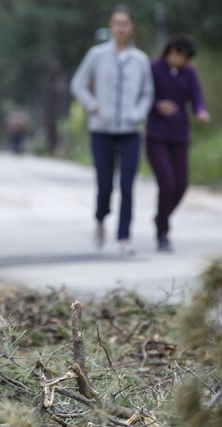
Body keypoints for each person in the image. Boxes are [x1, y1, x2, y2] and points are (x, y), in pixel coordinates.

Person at [70, 5, 154, 255]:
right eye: (116, 23)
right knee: (105, 183)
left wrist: (138, 114)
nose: (120, 28)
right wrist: (93, 106)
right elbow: (78, 84)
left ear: (131, 27)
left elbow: (148, 93)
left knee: (128, 184)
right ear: (110, 26)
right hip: (101, 129)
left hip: (130, 130)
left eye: (125, 23)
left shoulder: (140, 60)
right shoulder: (96, 55)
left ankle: (124, 236)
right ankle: (100, 218)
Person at [146, 35, 210, 252]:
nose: (186, 62)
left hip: (179, 135)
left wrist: (200, 111)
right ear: (172, 52)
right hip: (156, 136)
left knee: (181, 186)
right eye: (184, 57)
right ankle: (162, 232)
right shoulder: (153, 69)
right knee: (167, 183)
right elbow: (143, 97)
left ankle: (160, 217)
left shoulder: (189, 73)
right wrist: (157, 106)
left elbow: (197, 96)